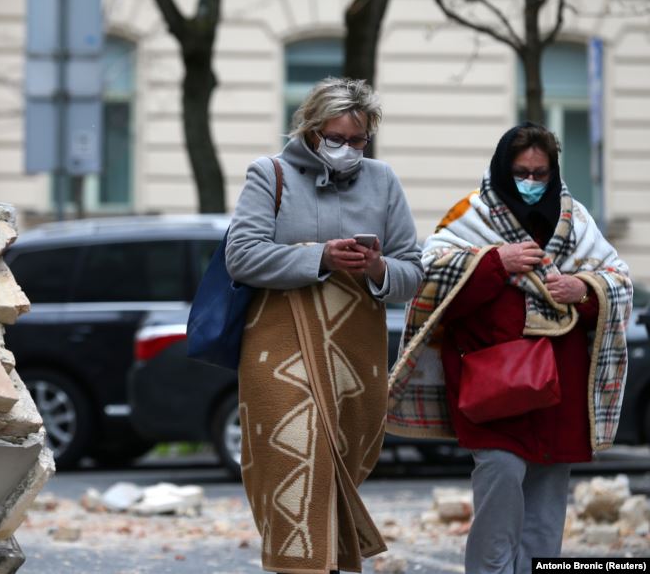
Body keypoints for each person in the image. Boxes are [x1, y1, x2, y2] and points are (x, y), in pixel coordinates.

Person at [388, 122, 633, 574]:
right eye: (522, 171)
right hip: (493, 392)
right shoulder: (469, 215)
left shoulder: (576, 219)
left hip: (559, 395)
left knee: (545, 518)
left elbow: (618, 282)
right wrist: (494, 263)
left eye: (541, 173)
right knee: (498, 491)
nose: (532, 182)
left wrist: (580, 287)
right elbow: (432, 288)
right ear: (503, 169)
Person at [225, 77, 423, 574]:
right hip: (280, 344)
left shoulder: (383, 180)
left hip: (356, 354)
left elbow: (413, 272)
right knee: (296, 456)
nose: (349, 150)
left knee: (338, 464)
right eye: (338, 138)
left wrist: (378, 269)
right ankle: (304, 566)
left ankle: (330, 563)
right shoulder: (269, 175)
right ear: (311, 130)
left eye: (359, 140)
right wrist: (322, 257)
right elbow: (241, 256)